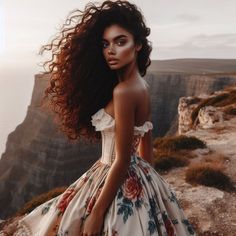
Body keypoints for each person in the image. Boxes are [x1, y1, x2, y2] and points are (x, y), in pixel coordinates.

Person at [0, 1, 196, 235]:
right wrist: (150, 187)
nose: (110, 50)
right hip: (140, 173)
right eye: (105, 44)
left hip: (114, 171)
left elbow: (121, 160)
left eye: (120, 41)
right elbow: (146, 141)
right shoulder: (142, 85)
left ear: (138, 46)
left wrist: (98, 212)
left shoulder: (123, 92)